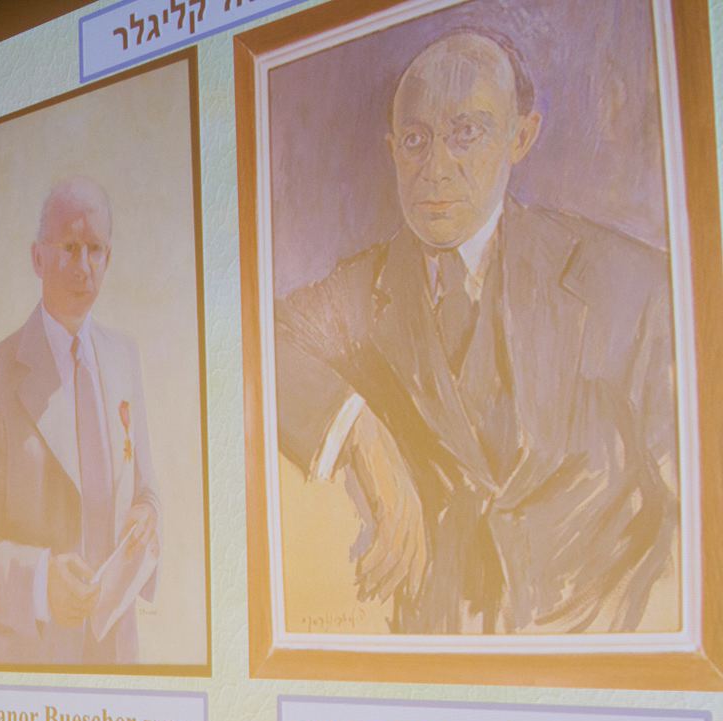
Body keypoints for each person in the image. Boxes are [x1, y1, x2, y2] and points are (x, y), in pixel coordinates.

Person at [276, 29, 677, 634]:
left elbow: (692, 516)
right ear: (392, 150)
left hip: (605, 651)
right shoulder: (360, 290)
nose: (435, 169)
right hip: (437, 657)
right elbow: (250, 348)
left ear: (521, 137)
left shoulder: (634, 285)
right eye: (416, 140)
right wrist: (359, 430)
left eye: (466, 133)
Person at [0, 176, 161, 664]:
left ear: (109, 258)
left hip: (115, 660)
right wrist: (41, 583)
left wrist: (146, 516)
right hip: (28, 668)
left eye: (95, 249)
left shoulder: (125, 357)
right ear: (37, 258)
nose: (83, 267)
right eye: (68, 247)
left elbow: (145, 490)